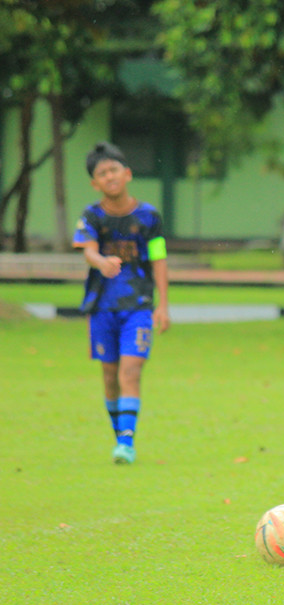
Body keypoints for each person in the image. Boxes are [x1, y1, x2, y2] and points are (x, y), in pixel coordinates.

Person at [73, 142, 170, 465]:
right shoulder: (92, 216)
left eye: (114, 169)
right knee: (110, 377)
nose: (109, 176)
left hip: (139, 307)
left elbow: (158, 260)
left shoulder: (149, 217)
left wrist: (163, 304)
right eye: (102, 173)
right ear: (94, 183)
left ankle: (127, 442)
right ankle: (120, 436)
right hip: (102, 308)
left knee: (131, 371)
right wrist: (100, 261)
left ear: (127, 174)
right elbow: (87, 249)